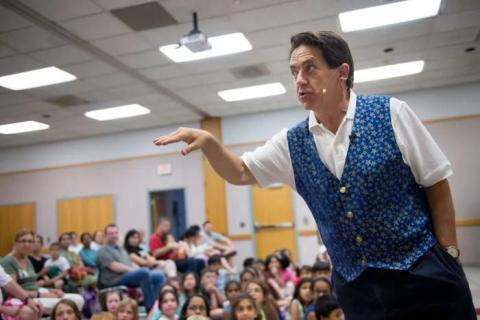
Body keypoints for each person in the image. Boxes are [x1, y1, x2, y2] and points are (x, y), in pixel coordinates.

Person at [153, 30, 476, 319]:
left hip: (423, 274)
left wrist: (449, 255)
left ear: (342, 73)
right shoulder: (292, 143)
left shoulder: (391, 113)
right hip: (359, 290)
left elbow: (435, 181)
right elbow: (239, 171)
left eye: (309, 68)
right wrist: (210, 143)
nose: (299, 80)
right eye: (294, 72)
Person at [0, 230, 84, 315]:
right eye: (23, 241)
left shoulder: (27, 260)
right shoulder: (8, 261)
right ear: (15, 243)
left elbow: (33, 284)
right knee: (72, 304)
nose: (27, 244)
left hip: (37, 292)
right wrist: (41, 294)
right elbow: (11, 291)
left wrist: (51, 290)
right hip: (24, 298)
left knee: (78, 298)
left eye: (30, 241)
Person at [96, 224, 165, 311]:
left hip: (126, 276)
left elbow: (129, 263)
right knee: (143, 273)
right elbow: (113, 266)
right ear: (106, 235)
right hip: (114, 279)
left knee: (159, 276)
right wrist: (132, 270)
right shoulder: (103, 250)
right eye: (111, 233)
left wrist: (136, 269)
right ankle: (150, 308)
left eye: (115, 233)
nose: (114, 235)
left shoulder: (120, 249)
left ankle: (154, 304)